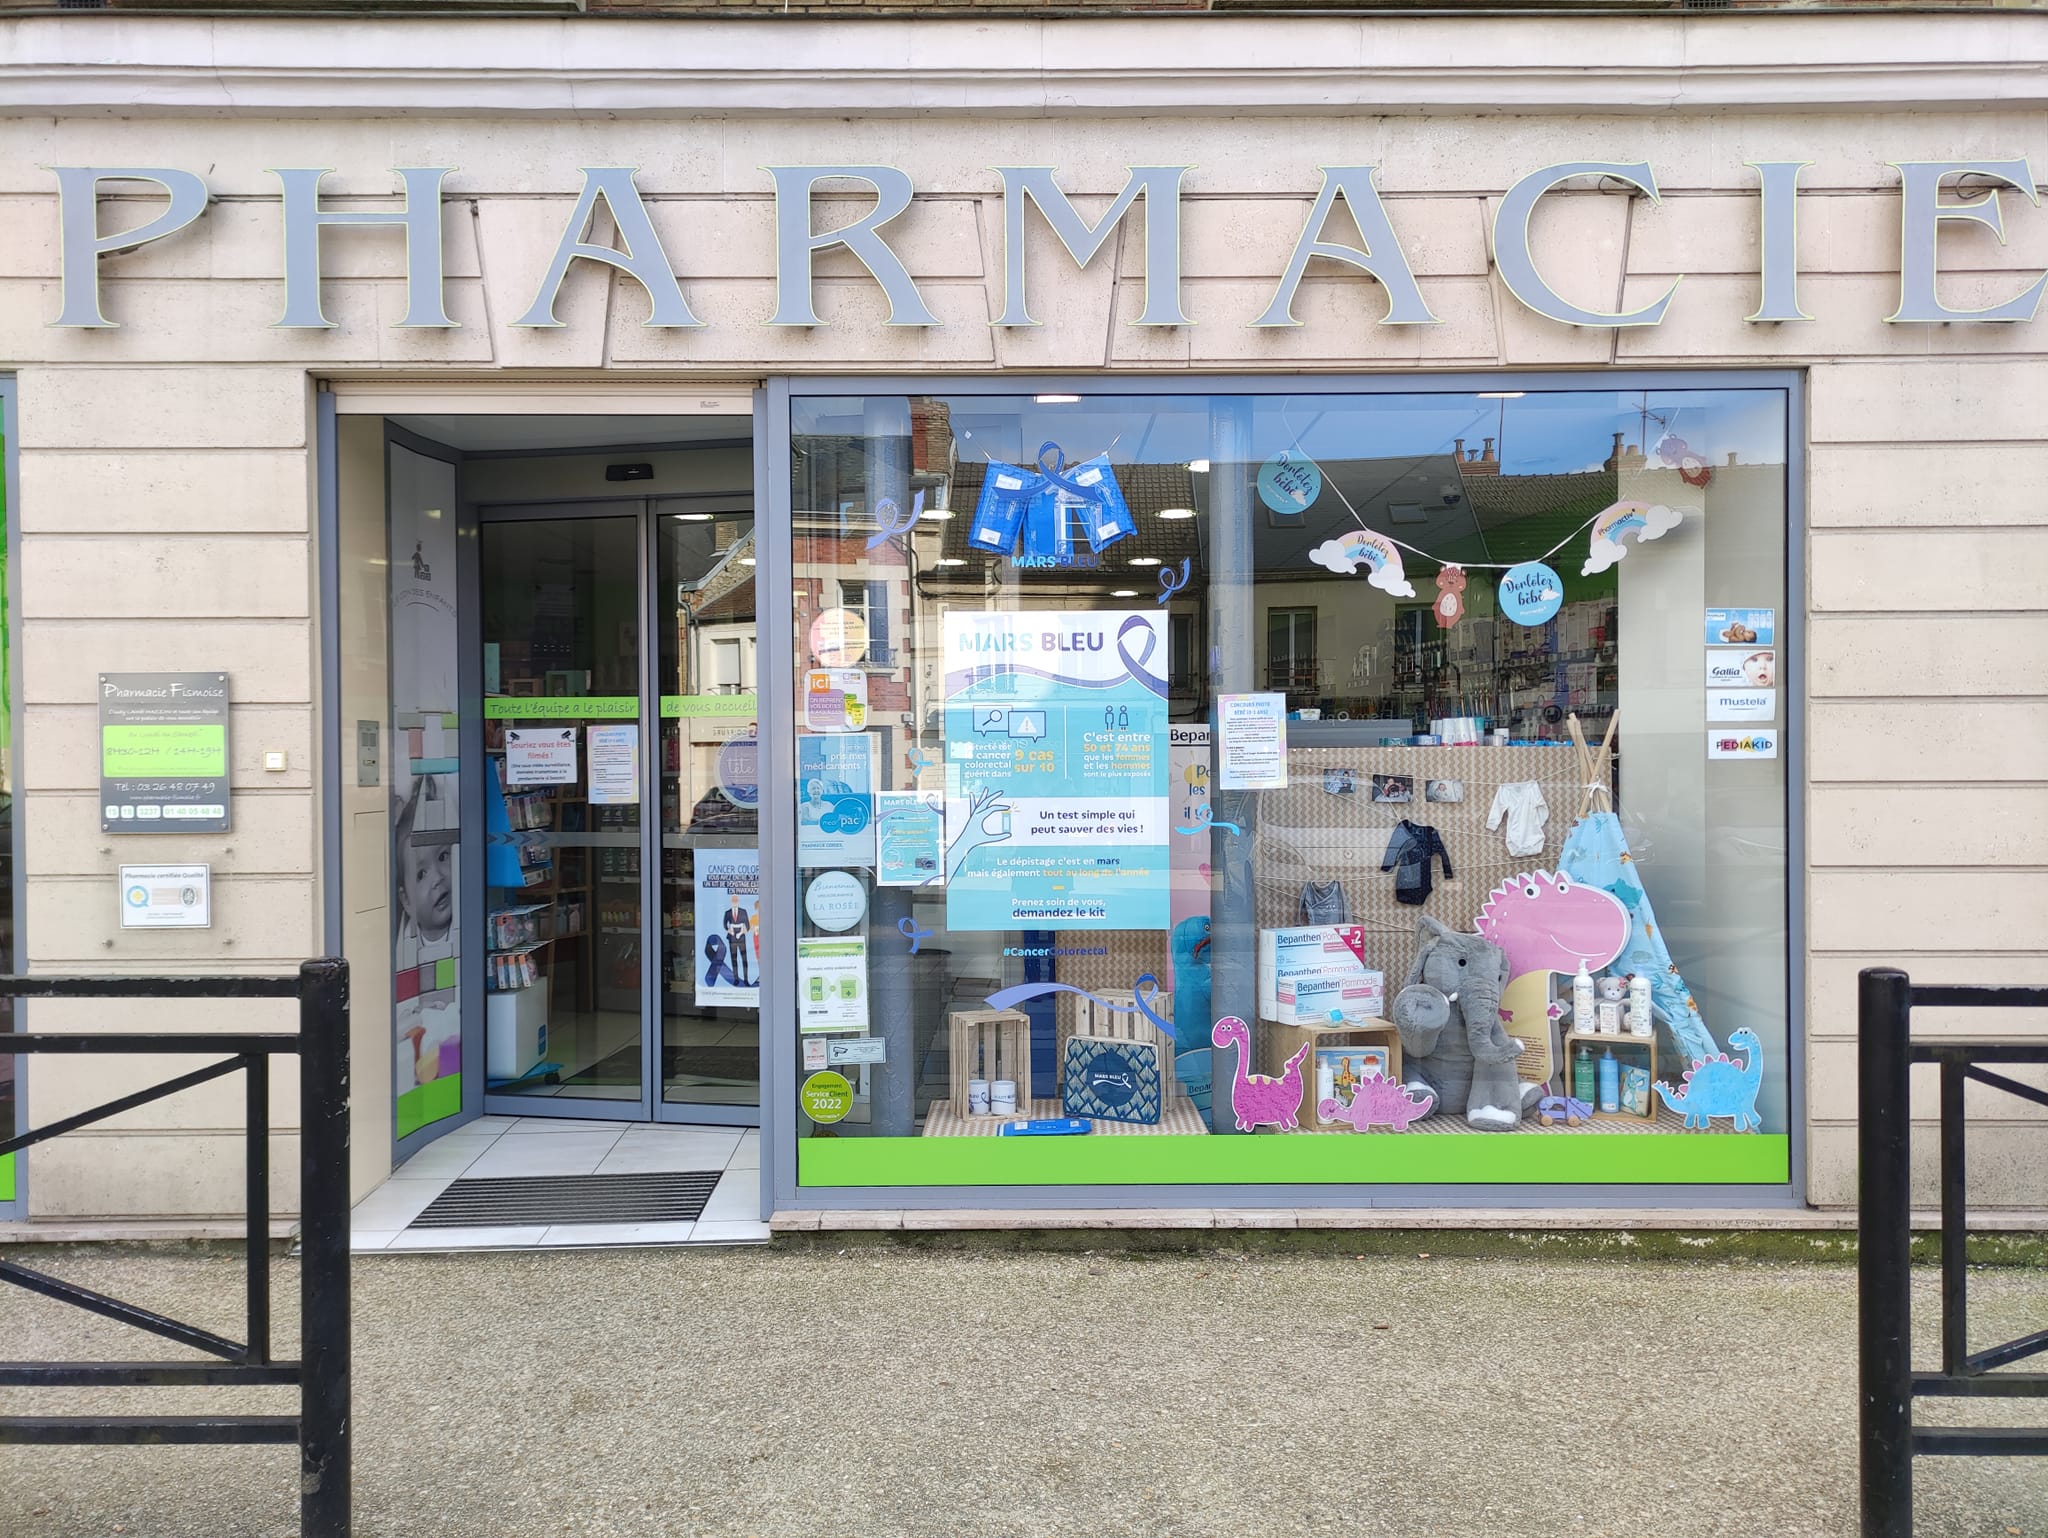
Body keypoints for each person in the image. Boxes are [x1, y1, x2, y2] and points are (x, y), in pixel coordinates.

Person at [394, 776, 455, 972]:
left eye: (443, 856)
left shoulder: (468, 926)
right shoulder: (403, 949)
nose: (437, 878)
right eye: (421, 874)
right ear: (407, 902)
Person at [722, 893, 754, 986]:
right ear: (731, 902)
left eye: (736, 900)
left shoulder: (743, 911)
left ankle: (746, 979)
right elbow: (724, 924)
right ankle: (736, 979)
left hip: (741, 938)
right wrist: (729, 929)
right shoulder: (727, 913)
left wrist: (743, 931)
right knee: (734, 959)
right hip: (732, 938)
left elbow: (747, 925)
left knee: (744, 959)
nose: (734, 902)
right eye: (733, 900)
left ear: (738, 901)